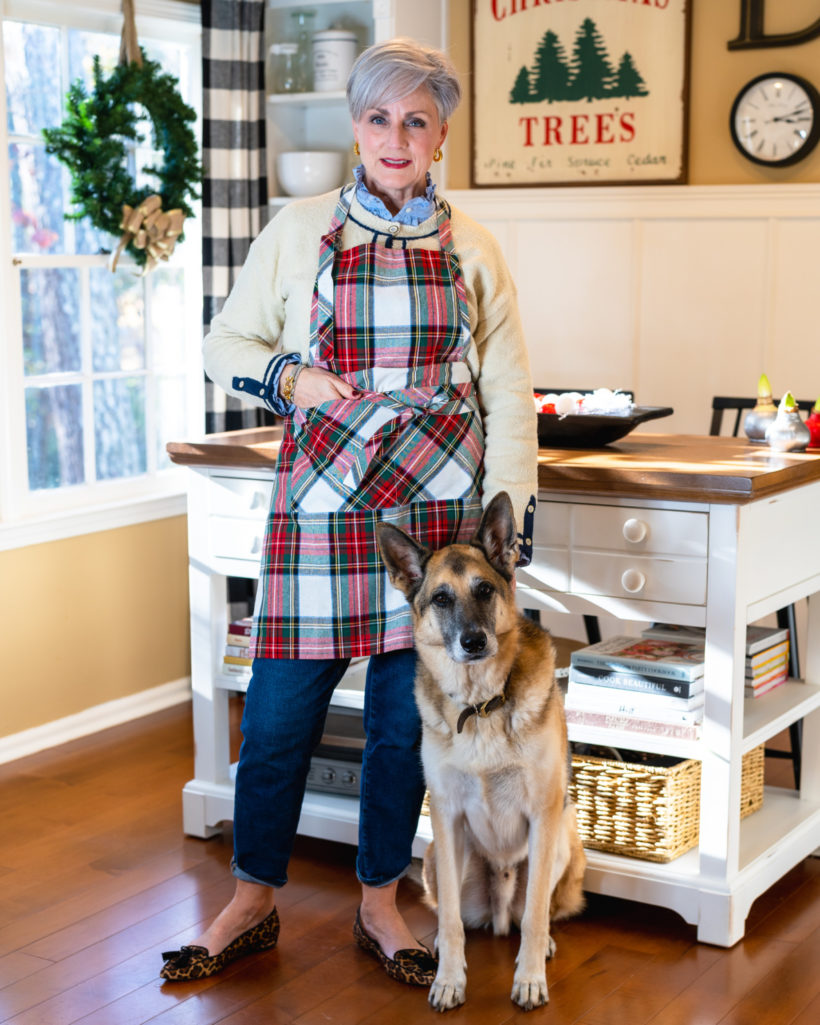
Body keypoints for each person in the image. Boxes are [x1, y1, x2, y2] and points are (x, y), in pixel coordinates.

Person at [160, 37, 538, 986]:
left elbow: (509, 389)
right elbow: (223, 344)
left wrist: (510, 522)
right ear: (355, 128)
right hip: (322, 507)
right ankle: (251, 899)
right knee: (281, 713)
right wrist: (288, 373)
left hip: (439, 517)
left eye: (417, 119)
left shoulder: (474, 246)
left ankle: (380, 898)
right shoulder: (300, 229)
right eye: (378, 117)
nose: (396, 136)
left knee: (403, 728)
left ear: (442, 134)